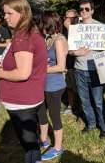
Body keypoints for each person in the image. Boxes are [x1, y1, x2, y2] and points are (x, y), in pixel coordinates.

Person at [0, 0, 47, 163]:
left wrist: (0, 74)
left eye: (9, 13)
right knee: (31, 143)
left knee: (30, 146)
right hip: (27, 99)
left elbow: (23, 73)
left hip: (21, 101)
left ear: (22, 12)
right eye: (4, 13)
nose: (5, 17)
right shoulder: (29, 32)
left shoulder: (23, 37)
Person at [69, 0, 105, 137]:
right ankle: (91, 124)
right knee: (84, 100)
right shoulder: (75, 28)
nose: (83, 11)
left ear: (92, 11)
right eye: (81, 9)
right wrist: (76, 53)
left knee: (98, 101)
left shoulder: (100, 27)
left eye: (86, 9)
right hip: (79, 69)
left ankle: (104, 128)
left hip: (95, 69)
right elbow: (69, 51)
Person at [37, 12, 67, 161]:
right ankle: (44, 139)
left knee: (54, 116)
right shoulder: (48, 39)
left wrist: (39, 69)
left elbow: (61, 66)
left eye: (42, 23)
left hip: (54, 85)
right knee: (41, 113)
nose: (39, 26)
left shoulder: (59, 40)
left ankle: (58, 147)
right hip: (43, 84)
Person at [62, 9, 80, 115]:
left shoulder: (78, 29)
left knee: (77, 87)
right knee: (69, 86)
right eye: (66, 17)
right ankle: (71, 105)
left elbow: (76, 42)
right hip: (67, 62)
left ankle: (79, 106)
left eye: (70, 18)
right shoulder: (63, 29)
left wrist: (69, 28)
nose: (67, 20)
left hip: (76, 63)